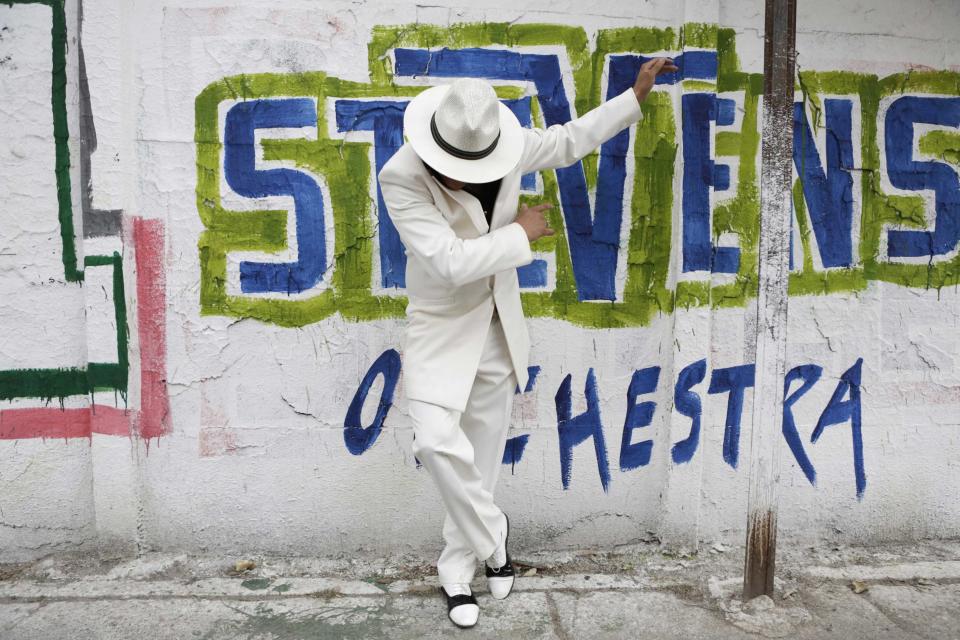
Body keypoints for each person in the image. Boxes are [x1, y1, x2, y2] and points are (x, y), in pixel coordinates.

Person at [377, 56, 678, 629]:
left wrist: (633, 97)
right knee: (437, 442)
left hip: (497, 325)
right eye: (450, 167)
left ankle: (457, 572)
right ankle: (496, 536)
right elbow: (447, 261)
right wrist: (521, 234)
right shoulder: (401, 176)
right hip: (440, 325)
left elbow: (566, 142)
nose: (459, 176)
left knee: (483, 456)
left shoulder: (507, 148)